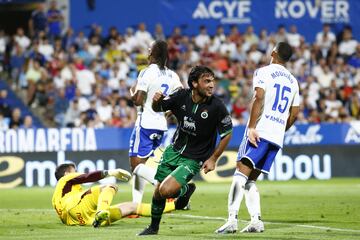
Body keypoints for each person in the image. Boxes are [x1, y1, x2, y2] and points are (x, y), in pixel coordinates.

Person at [215, 42, 300, 234]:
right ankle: (256, 221)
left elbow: (259, 97)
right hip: (276, 137)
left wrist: (252, 127)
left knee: (240, 174)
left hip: (260, 131)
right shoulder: (293, 81)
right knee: (250, 180)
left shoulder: (264, 72)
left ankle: (231, 220)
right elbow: (294, 114)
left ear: (273, 52)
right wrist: (279, 130)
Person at [138, 66, 233, 235]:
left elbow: (227, 134)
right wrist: (155, 101)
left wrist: (213, 158)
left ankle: (185, 190)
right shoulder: (181, 96)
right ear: (194, 84)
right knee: (158, 192)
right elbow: (158, 108)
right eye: (207, 81)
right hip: (173, 151)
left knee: (166, 191)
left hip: (194, 158)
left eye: (212, 81)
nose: (212, 85)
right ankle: (153, 228)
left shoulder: (217, 106)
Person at [129, 40, 183, 205]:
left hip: (145, 123)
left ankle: (171, 188)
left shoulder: (147, 72)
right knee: (141, 167)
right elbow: (181, 95)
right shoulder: (172, 75)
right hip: (161, 126)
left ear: (152, 53)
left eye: (149, 49)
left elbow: (138, 101)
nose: (147, 52)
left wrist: (132, 93)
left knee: (136, 167)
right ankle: (136, 204)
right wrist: (169, 109)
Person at [52, 163, 175, 227]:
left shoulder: (56, 198)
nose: (77, 173)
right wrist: (110, 172)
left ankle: (176, 204)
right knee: (110, 186)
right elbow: (86, 177)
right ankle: (101, 211)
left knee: (132, 207)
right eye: (74, 171)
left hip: (86, 221)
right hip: (78, 206)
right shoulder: (65, 180)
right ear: (67, 173)